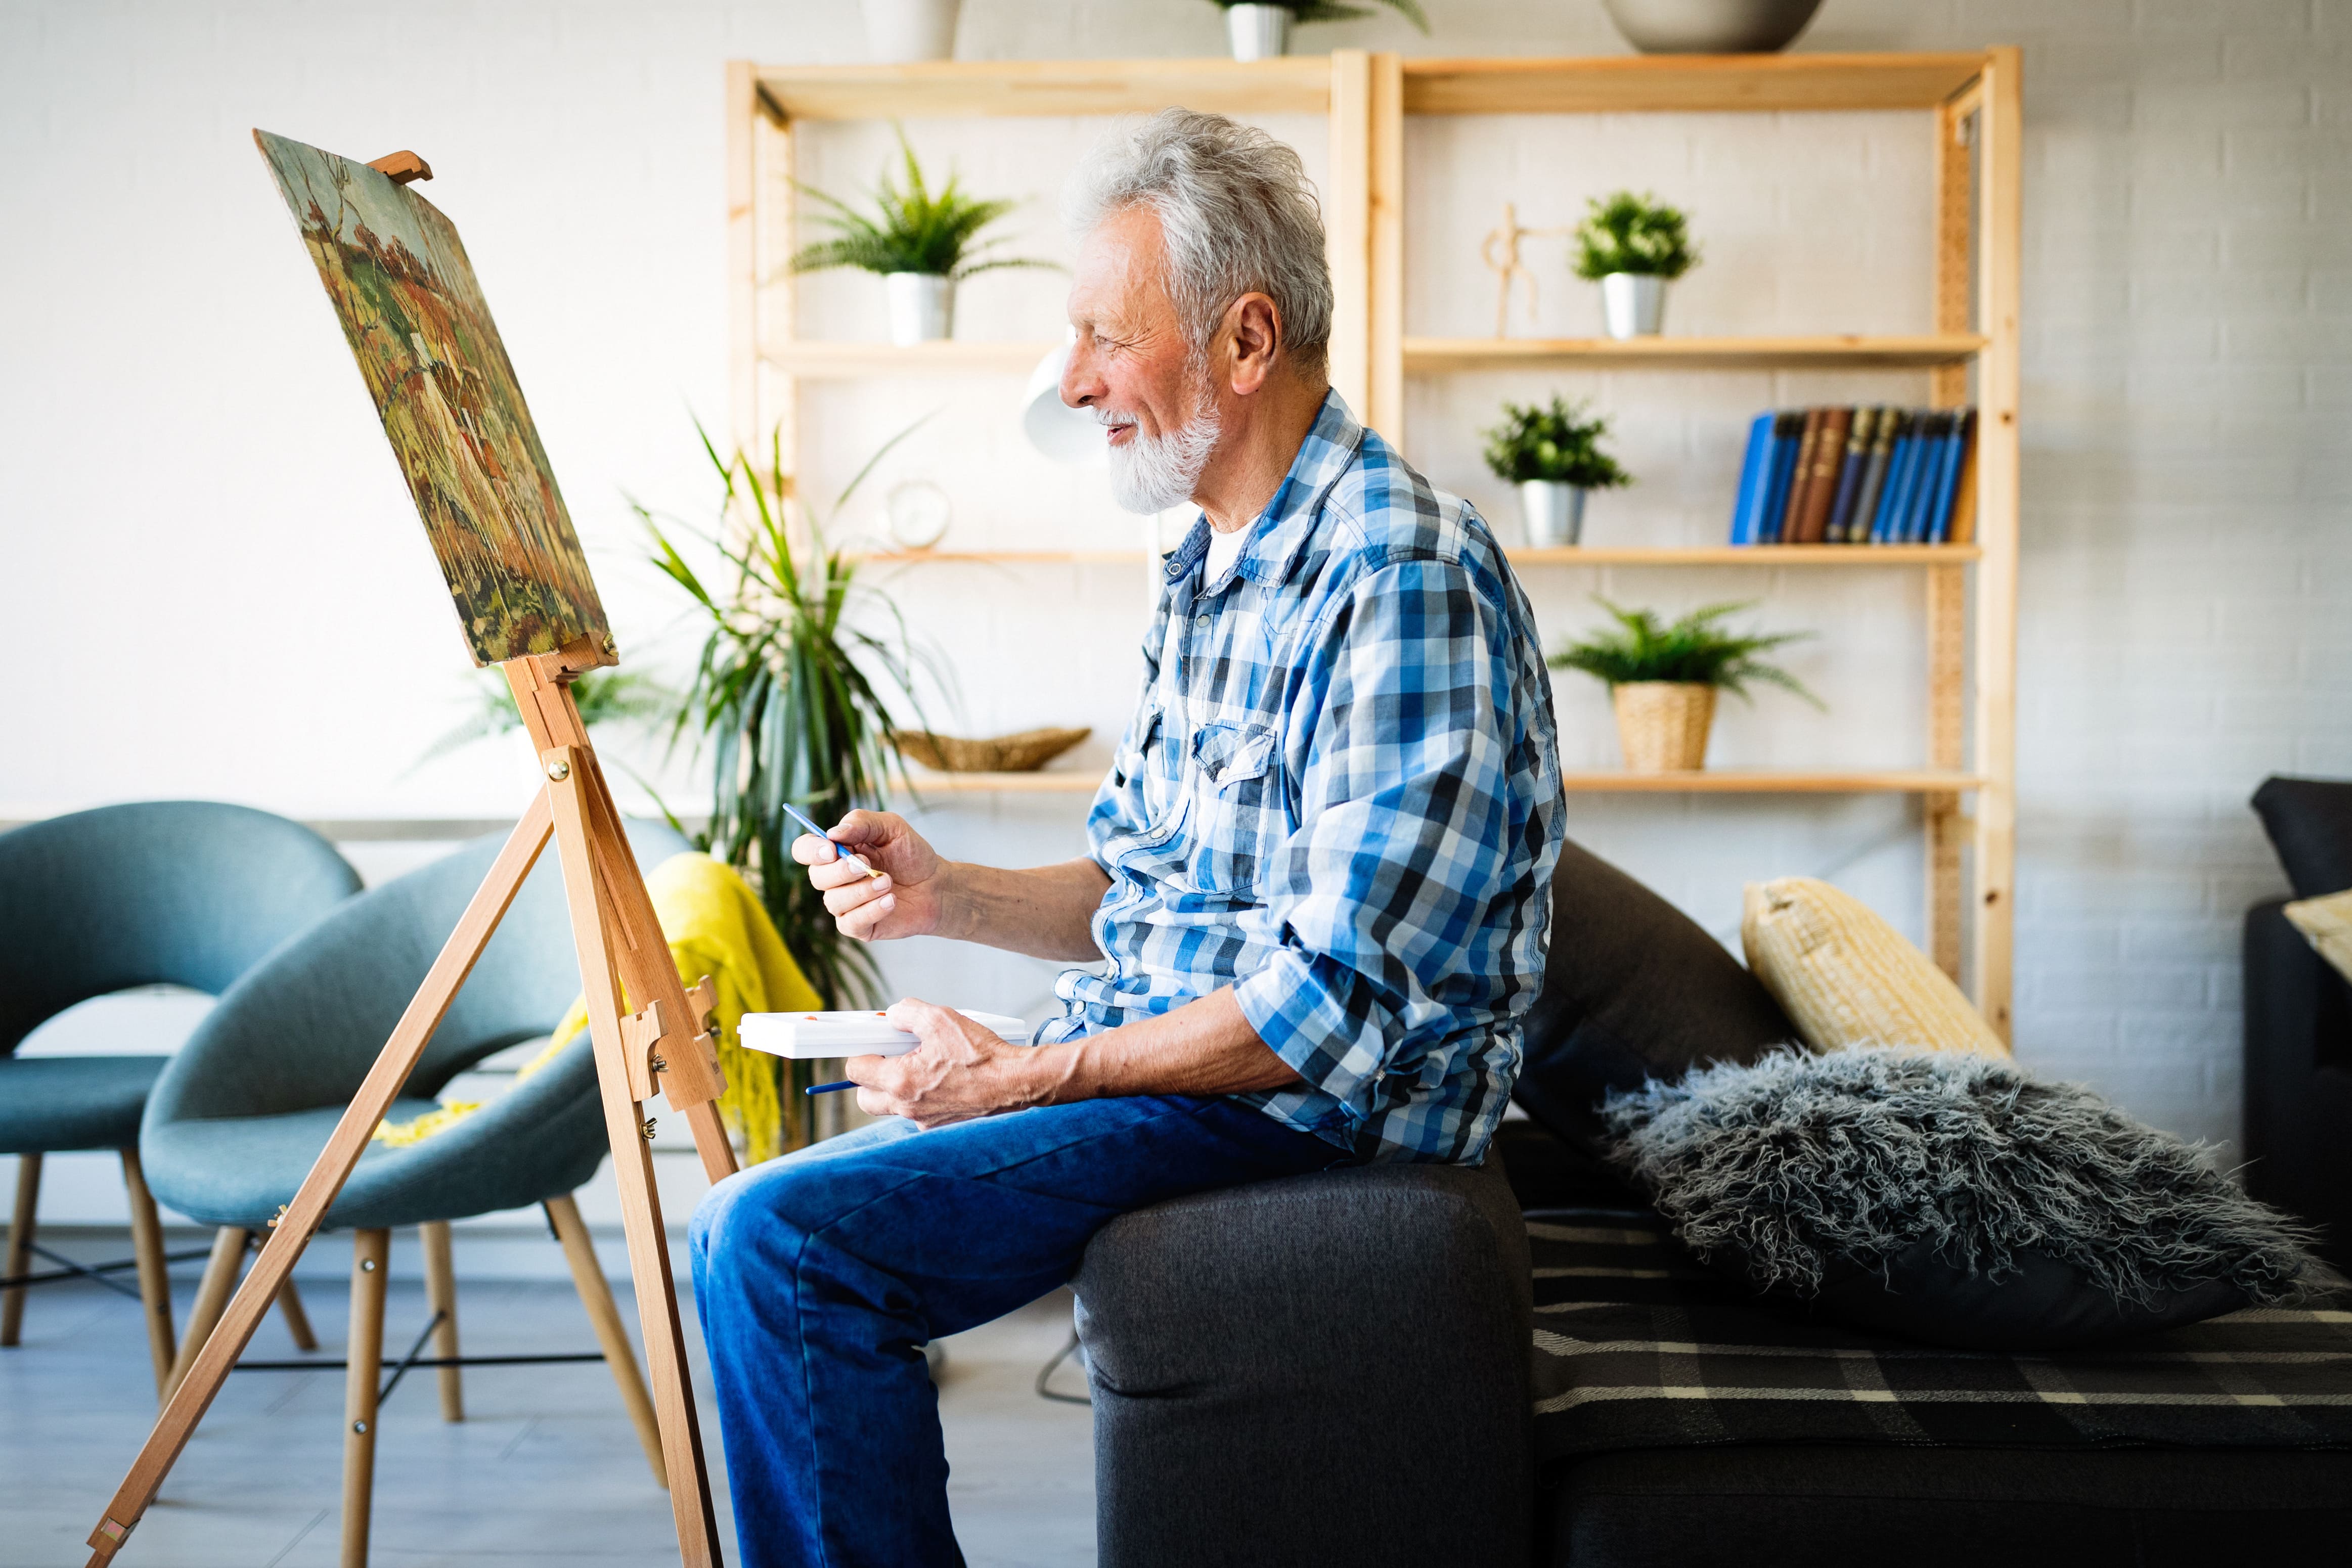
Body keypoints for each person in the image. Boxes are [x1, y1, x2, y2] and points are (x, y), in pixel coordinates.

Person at [689, 108, 1564, 1568]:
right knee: (767, 1223)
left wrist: (1024, 1073)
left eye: (1107, 335)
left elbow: (1323, 1012)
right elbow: (1151, 892)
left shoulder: (1395, 573)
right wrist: (946, 892)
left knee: (777, 1242)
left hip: (1305, 1114)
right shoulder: (1210, 567)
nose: (1076, 381)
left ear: (1244, 340)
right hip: (1202, 1066)